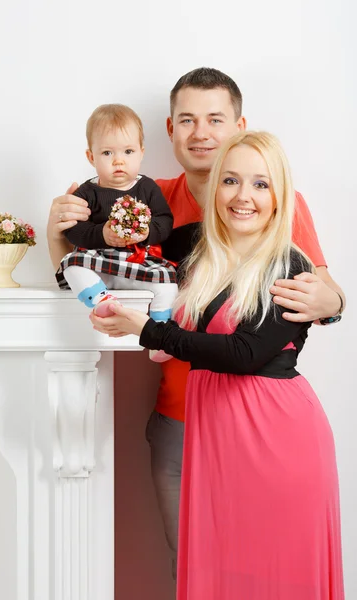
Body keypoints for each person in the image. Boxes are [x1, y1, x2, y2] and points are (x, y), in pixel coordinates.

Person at [46, 68, 345, 579]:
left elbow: (308, 306)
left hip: (265, 425)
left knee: (273, 568)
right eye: (187, 119)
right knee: (205, 565)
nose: (201, 132)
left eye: (214, 119)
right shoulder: (154, 208)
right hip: (186, 420)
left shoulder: (285, 235)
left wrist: (333, 302)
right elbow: (111, 258)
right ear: (168, 129)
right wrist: (62, 237)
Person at [56, 104, 177, 361]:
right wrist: (102, 234)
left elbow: (165, 222)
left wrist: (145, 233)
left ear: (141, 153)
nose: (118, 160)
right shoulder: (87, 192)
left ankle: (160, 335)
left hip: (137, 261)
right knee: (71, 265)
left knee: (168, 282)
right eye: (107, 152)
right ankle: (102, 301)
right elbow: (74, 232)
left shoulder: (147, 188)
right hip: (101, 264)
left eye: (128, 151)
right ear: (91, 157)